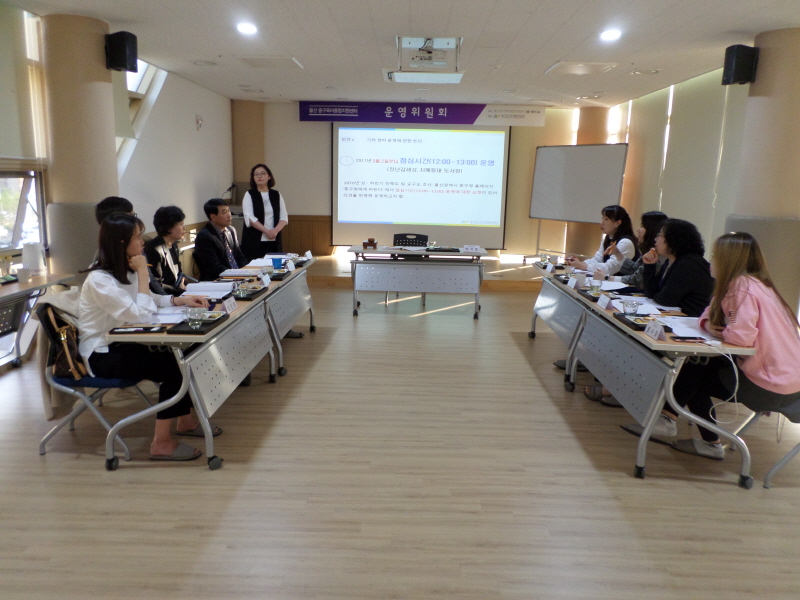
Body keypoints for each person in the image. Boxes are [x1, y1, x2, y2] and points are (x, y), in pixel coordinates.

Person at [625, 232, 800, 460]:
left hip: (770, 388)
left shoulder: (742, 288)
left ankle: (673, 422)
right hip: (789, 386)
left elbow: (740, 337)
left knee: (694, 371)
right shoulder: (757, 285)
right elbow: (709, 313)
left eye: (716, 255)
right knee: (697, 367)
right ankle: (683, 428)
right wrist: (708, 324)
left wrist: (717, 328)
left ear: (728, 260)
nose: (711, 260)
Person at [78, 213, 216, 461]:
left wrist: (180, 300)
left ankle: (185, 421)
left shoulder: (125, 271)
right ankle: (160, 443)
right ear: (121, 242)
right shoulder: (100, 280)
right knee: (175, 366)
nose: (143, 241)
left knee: (184, 356)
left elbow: (148, 299)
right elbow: (140, 314)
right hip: (101, 354)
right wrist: (143, 273)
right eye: (138, 237)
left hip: (124, 343)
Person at [94, 196, 169, 296]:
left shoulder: (135, 249)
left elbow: (152, 285)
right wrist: (142, 271)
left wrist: (171, 299)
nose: (134, 220)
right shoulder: (101, 274)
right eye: (130, 216)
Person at [641, 218, 713, 317]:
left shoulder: (688, 264)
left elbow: (665, 299)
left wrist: (657, 294)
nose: (655, 239)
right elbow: (651, 292)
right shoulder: (671, 261)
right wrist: (649, 266)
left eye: (659, 235)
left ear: (672, 240)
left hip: (692, 319)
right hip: (678, 317)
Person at [565, 205, 640, 277]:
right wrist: (579, 263)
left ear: (617, 223)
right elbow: (597, 259)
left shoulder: (626, 242)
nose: (602, 222)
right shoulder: (608, 238)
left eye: (606, 219)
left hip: (622, 284)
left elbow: (609, 269)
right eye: (602, 218)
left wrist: (581, 265)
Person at [600, 211, 668, 290]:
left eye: (642, 226)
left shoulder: (657, 254)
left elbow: (638, 280)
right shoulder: (649, 249)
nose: (638, 230)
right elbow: (635, 268)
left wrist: (607, 277)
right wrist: (617, 253)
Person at [241, 164, 288, 261]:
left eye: (262, 173)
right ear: (253, 178)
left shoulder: (276, 194)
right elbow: (250, 217)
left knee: (274, 266)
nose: (259, 176)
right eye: (256, 174)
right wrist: (267, 231)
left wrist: (275, 231)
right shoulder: (249, 194)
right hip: (254, 239)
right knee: (255, 266)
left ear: (269, 176)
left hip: (274, 238)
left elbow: (283, 217)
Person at [193, 198, 248, 282]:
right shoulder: (204, 236)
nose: (229, 215)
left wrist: (246, 271)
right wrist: (235, 274)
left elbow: (240, 256)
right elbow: (214, 267)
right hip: (218, 280)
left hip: (237, 277)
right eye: (224, 212)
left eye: (229, 211)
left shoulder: (231, 230)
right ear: (213, 217)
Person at [145, 206, 189, 296]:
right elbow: (156, 285)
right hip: (166, 297)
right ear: (169, 228)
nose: (184, 228)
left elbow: (179, 274)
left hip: (178, 293)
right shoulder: (154, 249)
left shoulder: (173, 244)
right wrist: (180, 291)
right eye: (181, 224)